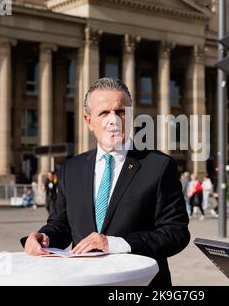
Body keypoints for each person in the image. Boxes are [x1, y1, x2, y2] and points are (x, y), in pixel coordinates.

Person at [21, 78, 189, 286]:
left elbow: (175, 233)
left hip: (139, 285)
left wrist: (113, 243)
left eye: (120, 112)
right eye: (104, 113)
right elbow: (61, 225)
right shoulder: (71, 169)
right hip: (84, 281)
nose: (114, 120)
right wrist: (44, 238)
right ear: (88, 120)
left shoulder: (159, 166)